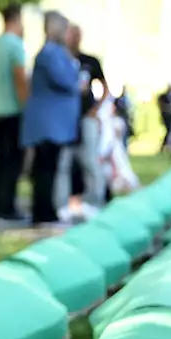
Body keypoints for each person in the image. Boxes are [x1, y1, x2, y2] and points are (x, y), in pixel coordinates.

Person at [22, 11, 82, 226]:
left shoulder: (55, 53)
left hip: (53, 124)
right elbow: (66, 81)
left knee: (49, 168)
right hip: (48, 125)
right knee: (45, 169)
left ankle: (46, 211)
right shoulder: (50, 54)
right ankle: (43, 213)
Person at [0, 4, 29, 221]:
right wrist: (25, 106)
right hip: (11, 112)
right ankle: (7, 207)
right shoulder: (15, 45)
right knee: (11, 162)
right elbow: (20, 78)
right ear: (17, 19)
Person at [67, 24, 108, 211]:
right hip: (67, 118)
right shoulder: (61, 59)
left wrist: (95, 110)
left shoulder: (90, 61)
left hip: (86, 116)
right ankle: (69, 199)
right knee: (67, 159)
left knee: (90, 158)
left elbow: (106, 87)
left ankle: (96, 197)